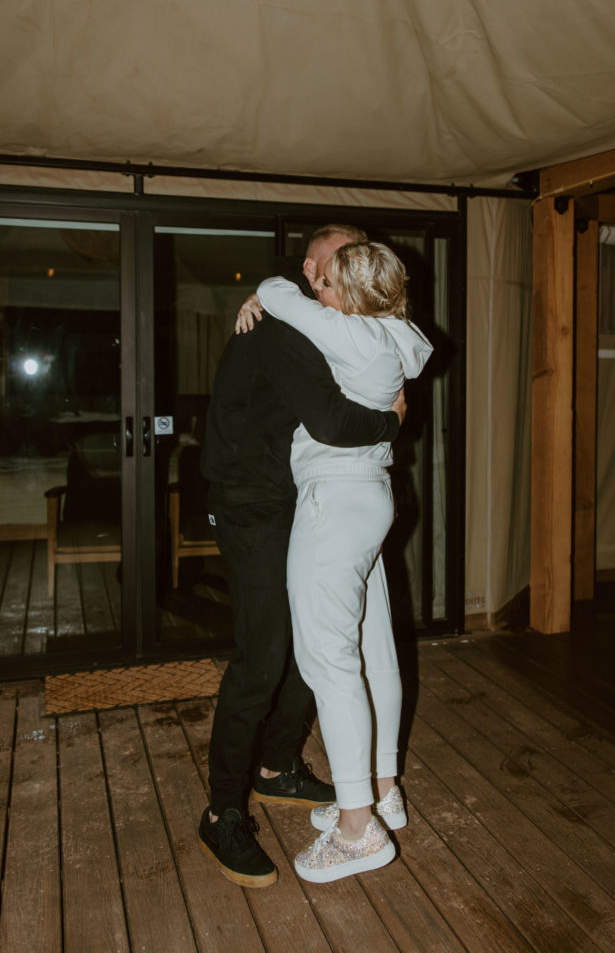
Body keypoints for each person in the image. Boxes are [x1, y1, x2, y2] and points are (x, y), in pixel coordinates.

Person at [198, 224, 406, 889]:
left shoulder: (306, 309)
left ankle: (277, 765)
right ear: (318, 268)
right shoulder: (284, 325)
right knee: (264, 655)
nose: (350, 270)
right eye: (341, 260)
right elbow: (332, 421)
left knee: (308, 643)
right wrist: (392, 421)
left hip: (296, 497)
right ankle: (221, 811)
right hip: (254, 501)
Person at [243, 240, 432, 883]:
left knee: (328, 659)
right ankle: (382, 789)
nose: (319, 292)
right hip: (370, 498)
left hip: (335, 500)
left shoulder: (351, 335)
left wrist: (271, 293)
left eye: (328, 287)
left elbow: (273, 292)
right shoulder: (399, 334)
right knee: (372, 649)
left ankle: (357, 828)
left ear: (350, 300)